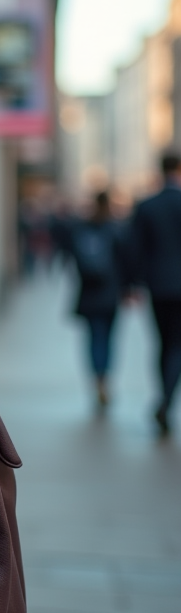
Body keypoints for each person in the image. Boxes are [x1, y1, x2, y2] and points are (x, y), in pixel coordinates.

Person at [131, 151, 181, 437]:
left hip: (158, 286)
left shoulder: (147, 205)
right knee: (177, 344)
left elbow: (134, 248)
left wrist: (132, 283)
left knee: (164, 343)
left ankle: (164, 397)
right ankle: (166, 400)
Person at [63, 192, 128, 410]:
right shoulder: (115, 229)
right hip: (110, 293)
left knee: (94, 337)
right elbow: (126, 260)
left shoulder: (82, 228)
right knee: (108, 338)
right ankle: (104, 378)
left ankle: (97, 379)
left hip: (89, 293)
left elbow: (72, 256)